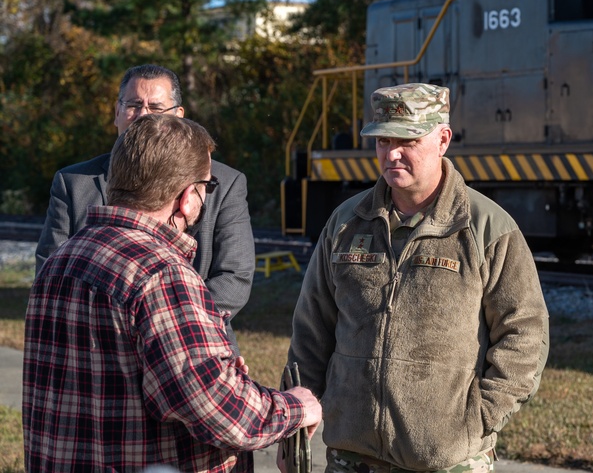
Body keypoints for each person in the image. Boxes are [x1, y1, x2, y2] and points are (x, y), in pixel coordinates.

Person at [23, 114, 323, 472]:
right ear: (188, 197)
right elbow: (224, 413)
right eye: (207, 187)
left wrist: (216, 367)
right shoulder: (161, 274)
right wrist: (296, 405)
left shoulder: (60, 261)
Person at [287, 83, 550, 473]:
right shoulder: (345, 223)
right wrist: (295, 422)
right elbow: (311, 331)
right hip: (351, 457)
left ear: (442, 139)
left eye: (407, 140)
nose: (391, 153)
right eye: (382, 141)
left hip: (446, 460)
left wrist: (478, 417)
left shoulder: (486, 227)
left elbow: (524, 333)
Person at [35, 63, 254, 352]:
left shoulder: (222, 182)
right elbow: (51, 273)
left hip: (197, 345)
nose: (142, 116)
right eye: (134, 105)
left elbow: (235, 276)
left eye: (156, 107)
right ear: (116, 112)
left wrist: (173, 325)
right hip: (98, 350)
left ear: (178, 116)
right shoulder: (73, 183)